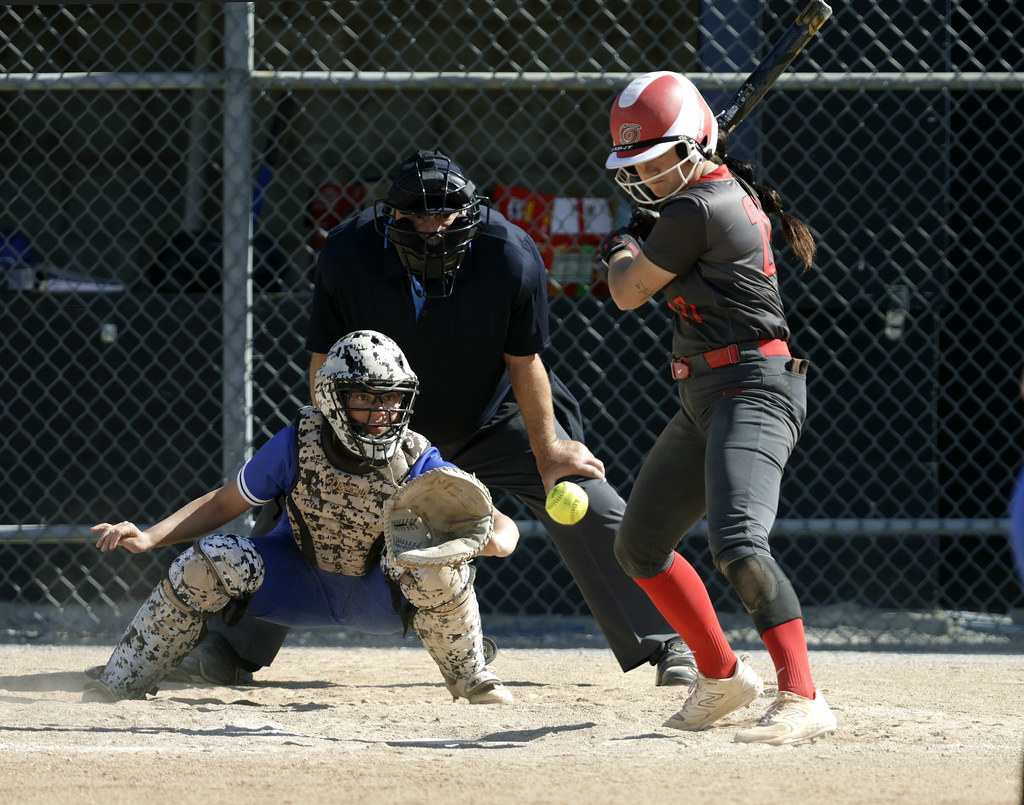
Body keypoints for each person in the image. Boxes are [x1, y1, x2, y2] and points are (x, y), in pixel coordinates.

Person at [187, 148, 698, 689]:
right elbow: (323, 367)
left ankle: (667, 640)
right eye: (418, 217)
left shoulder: (508, 252)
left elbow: (525, 362)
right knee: (309, 492)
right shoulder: (348, 252)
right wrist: (332, 456)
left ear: (469, 212)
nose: (434, 229)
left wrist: (549, 451)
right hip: (385, 428)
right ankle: (227, 644)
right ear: (391, 217)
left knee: (585, 499)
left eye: (447, 216)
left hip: (494, 417)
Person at [83, 330, 518, 705]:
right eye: (365, 397)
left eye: (391, 398)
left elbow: (501, 527)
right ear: (332, 397)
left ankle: (470, 674)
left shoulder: (415, 455)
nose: (381, 412)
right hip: (298, 584)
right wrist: (149, 537)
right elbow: (224, 503)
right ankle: (122, 679)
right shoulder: (298, 442)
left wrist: (490, 541)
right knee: (214, 557)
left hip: (378, 597)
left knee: (435, 564)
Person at [596, 71, 836, 744]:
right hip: (706, 393)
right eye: (635, 164)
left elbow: (624, 290)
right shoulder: (693, 200)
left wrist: (620, 244)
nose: (645, 174)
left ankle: (803, 694)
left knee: (737, 542)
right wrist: (649, 229)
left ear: (695, 143)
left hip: (754, 386)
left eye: (657, 159)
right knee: (639, 545)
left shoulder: (698, 207)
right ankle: (722, 673)